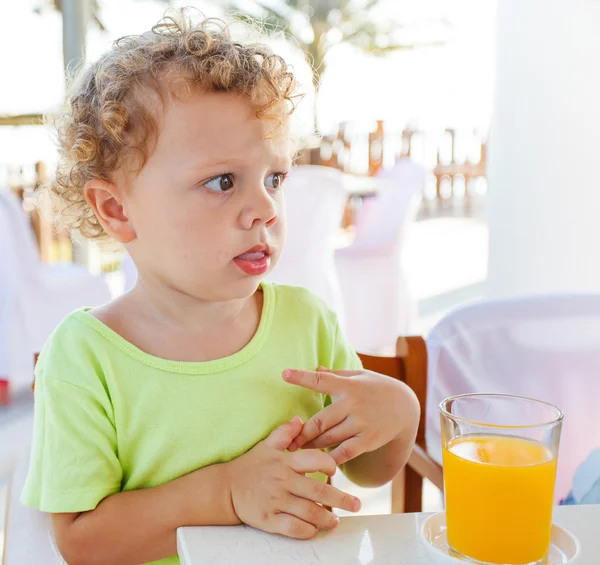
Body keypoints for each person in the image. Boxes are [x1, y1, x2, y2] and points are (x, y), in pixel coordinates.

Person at [21, 10, 420, 565]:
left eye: (274, 178)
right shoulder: (86, 355)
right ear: (116, 209)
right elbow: (82, 542)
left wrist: (399, 414)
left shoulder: (307, 321)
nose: (265, 207)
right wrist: (229, 491)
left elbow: (365, 468)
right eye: (221, 181)